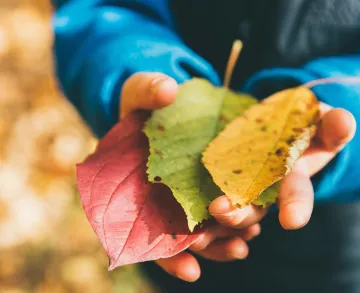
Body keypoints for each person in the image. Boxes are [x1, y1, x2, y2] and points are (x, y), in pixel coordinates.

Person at [52, 1, 360, 292]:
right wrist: (131, 66)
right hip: (180, 238)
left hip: (334, 251)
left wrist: (340, 111)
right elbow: (98, 9)